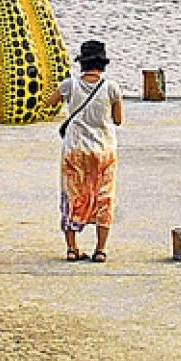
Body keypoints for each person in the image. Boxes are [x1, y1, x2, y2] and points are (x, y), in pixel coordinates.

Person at [43, 40, 123, 263]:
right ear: (102, 63)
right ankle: (100, 250)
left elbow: (49, 103)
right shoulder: (111, 88)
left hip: (75, 150)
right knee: (104, 197)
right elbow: (117, 120)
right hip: (103, 150)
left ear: (82, 63)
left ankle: (71, 248)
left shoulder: (70, 85)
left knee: (72, 196)